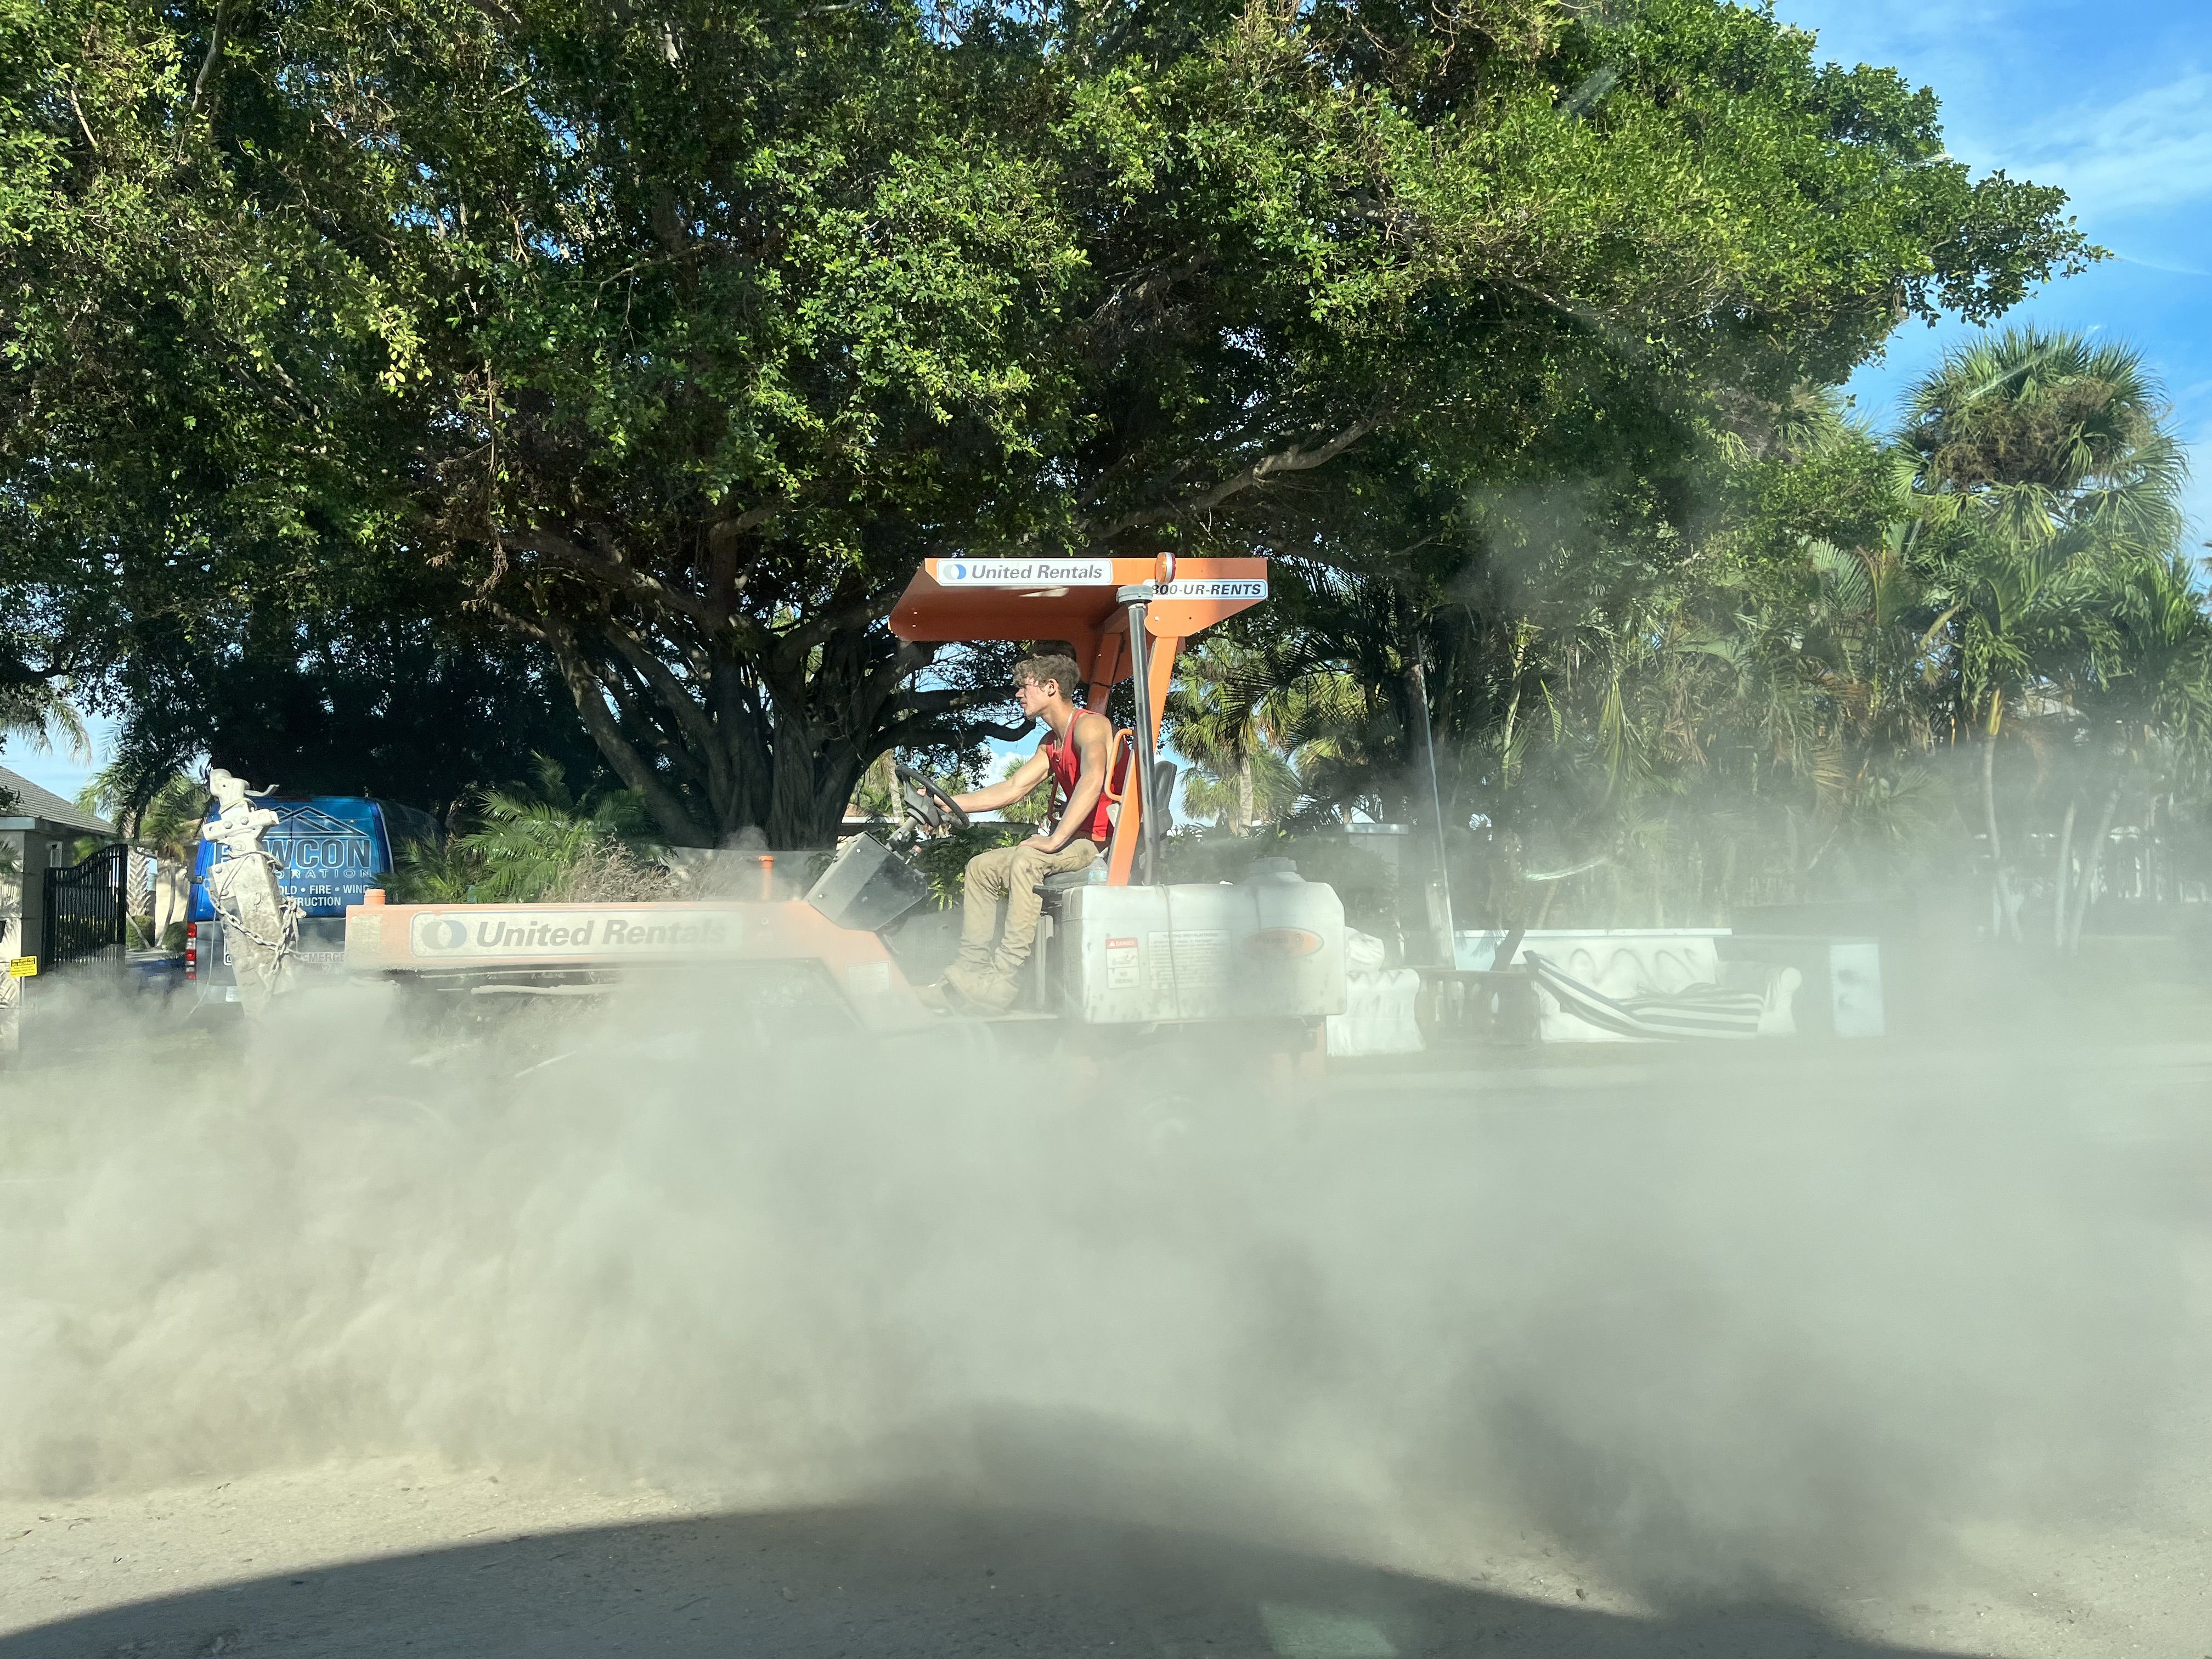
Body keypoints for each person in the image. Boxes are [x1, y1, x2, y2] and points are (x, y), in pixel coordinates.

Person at [934, 653, 1115, 1011]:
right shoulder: (1051, 743)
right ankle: (971, 971)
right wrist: (947, 802)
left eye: (1024, 686)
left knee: (1029, 859)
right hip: (1072, 843)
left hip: (1098, 844)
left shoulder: (1091, 726)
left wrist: (1055, 838)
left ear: (1051, 687)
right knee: (982, 868)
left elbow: (1094, 777)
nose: (1018, 694)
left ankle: (1004, 981)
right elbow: (1013, 788)